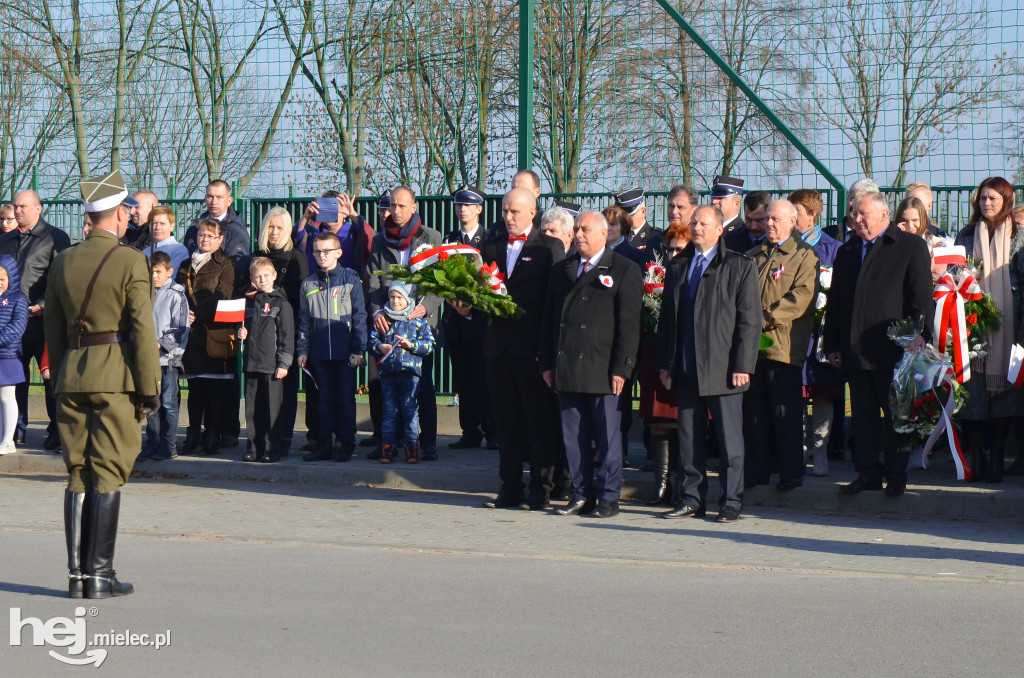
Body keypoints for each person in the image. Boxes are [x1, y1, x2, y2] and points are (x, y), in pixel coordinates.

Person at [44, 168, 161, 599]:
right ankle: (100, 574)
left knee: (78, 473)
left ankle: (78, 578)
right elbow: (142, 330)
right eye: (127, 212)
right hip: (115, 376)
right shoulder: (131, 260)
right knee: (108, 472)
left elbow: (54, 332)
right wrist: (150, 387)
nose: (130, 219)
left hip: (72, 374)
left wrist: (60, 377)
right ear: (116, 216)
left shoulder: (62, 260)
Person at [823, 192, 933, 496]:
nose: (856, 219)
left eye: (863, 214)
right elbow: (836, 303)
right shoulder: (847, 251)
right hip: (855, 349)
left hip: (894, 350)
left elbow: (921, 296)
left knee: (896, 414)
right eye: (854, 214)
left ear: (883, 215)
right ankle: (868, 472)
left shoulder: (909, 246)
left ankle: (896, 474)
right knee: (863, 416)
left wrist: (920, 333)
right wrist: (832, 343)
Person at [657, 205, 760, 523]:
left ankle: (730, 501)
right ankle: (691, 499)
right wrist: (666, 363)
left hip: (724, 368)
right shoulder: (679, 266)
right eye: (694, 222)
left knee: (730, 441)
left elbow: (749, 321)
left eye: (704, 223)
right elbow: (667, 320)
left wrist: (742, 364)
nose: (697, 227)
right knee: (689, 438)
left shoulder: (738, 266)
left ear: (719, 229)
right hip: (687, 366)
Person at [540, 211, 642, 518]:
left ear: (602, 234)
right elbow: (549, 321)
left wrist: (623, 368)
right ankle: (580, 493)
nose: (579, 234)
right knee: (574, 437)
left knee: (608, 439)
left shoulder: (624, 269)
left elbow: (629, 326)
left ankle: (609, 496)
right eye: (577, 229)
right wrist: (546, 363)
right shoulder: (562, 269)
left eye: (585, 229)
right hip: (568, 367)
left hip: (603, 369)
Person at [480, 187, 565, 510]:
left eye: (515, 212)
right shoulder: (491, 244)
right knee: (506, 421)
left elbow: (553, 302)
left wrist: (547, 353)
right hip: (498, 349)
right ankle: (509, 487)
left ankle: (540, 488)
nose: (508, 217)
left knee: (538, 421)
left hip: (532, 351)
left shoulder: (549, 247)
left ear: (533, 212)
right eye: (504, 211)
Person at [742, 200, 819, 491]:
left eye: (775, 219)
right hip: (753, 348)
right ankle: (758, 470)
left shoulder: (804, 256)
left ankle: (790, 473)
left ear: (792, 221)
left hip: (783, 347)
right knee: (756, 413)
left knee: (784, 414)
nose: (769, 224)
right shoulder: (754, 255)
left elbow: (800, 298)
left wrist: (761, 319)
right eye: (767, 219)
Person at [953, 177, 1024, 483]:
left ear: (1006, 201)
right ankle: (978, 454)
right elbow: (955, 272)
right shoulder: (967, 234)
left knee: (1006, 396)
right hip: (974, 324)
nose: (987, 204)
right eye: (982, 198)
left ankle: (996, 456)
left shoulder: (1020, 236)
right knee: (976, 393)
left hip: (1010, 325)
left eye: (993, 198)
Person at [366, 186, 442, 460]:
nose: (395, 211)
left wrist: (426, 307)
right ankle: (389, 442)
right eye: (392, 206)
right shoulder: (379, 239)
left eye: (401, 206)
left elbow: (439, 281)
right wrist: (377, 312)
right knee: (386, 387)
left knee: (423, 386)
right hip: (388, 323)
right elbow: (373, 280)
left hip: (418, 325)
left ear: (413, 207)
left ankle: (429, 442)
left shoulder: (431, 237)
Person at [0, 189, 71, 449]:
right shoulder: (5, 240)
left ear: (38, 209)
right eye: (16, 206)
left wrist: (43, 304)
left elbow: (62, 278)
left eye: (23, 207)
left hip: (43, 322)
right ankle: (15, 429)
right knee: (13, 379)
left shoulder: (55, 238)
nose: (18, 211)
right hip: (9, 322)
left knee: (50, 380)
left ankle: (55, 430)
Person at [297, 232, 368, 462]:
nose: (321, 255)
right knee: (323, 399)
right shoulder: (308, 283)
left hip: (345, 352)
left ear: (338, 252)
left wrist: (358, 349)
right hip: (319, 354)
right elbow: (304, 321)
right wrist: (303, 350)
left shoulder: (350, 279)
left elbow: (359, 316)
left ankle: (345, 443)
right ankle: (324, 444)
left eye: (327, 251)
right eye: (317, 251)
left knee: (345, 399)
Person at [789, 188, 842, 477]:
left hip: (821, 336)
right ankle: (796, 450)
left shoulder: (832, 248)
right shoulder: (785, 246)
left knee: (821, 393)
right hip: (793, 335)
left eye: (796, 212)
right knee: (794, 394)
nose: (791, 218)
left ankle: (819, 452)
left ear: (812, 214)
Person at [176, 218, 238, 457]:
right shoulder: (185, 265)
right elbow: (177, 294)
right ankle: (193, 435)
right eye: (202, 234)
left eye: (211, 236)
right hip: (190, 335)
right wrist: (184, 314)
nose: (205, 239)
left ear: (220, 239)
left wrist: (196, 313)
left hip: (214, 333)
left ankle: (212, 435)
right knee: (195, 388)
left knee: (214, 389)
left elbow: (224, 294)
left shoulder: (227, 264)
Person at [639, 221, 690, 505]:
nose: (672, 255)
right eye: (669, 249)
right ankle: (661, 482)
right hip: (656, 352)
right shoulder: (655, 275)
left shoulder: (694, 274)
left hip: (684, 355)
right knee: (658, 419)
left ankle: (682, 480)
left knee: (683, 421)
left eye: (679, 249)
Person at [443, 185, 497, 450]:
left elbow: (491, 280)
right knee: (463, 378)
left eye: (468, 205)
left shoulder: (488, 241)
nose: (462, 209)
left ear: (479, 209)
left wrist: (471, 307)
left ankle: (493, 431)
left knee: (485, 378)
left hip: (480, 321)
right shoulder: (449, 239)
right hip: (455, 319)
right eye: (459, 205)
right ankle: (470, 431)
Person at [252, 207, 309, 458]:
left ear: (288, 230)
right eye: (271, 227)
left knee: (285, 390)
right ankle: (259, 442)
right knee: (260, 393)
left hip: (286, 332)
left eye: (280, 228)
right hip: (258, 338)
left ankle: (282, 439)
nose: (274, 232)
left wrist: (272, 296)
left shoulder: (296, 257)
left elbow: (300, 295)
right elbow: (246, 288)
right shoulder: (256, 257)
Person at [370, 281, 435, 463]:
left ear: (408, 300)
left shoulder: (418, 322)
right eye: (392, 297)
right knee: (389, 411)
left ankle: (411, 447)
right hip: (388, 374)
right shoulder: (384, 320)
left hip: (411, 374)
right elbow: (371, 341)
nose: (395, 301)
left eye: (400, 298)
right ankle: (387, 448)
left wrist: (411, 346)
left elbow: (429, 345)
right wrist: (379, 347)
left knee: (410, 410)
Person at [237, 257, 295, 464]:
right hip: (252, 363)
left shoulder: (281, 304)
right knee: (252, 410)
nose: (262, 280)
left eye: (266, 276)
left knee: (272, 410)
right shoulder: (248, 305)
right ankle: (253, 448)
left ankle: (272, 449)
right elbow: (245, 329)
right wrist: (242, 333)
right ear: (252, 280)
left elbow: (287, 337)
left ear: (274, 277)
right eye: (258, 277)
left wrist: (284, 363)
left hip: (272, 366)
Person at [138, 251, 189, 462]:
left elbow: (181, 327)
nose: (154, 275)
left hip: (167, 359)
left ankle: (168, 445)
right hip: (148, 360)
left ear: (169, 271)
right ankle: (152, 442)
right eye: (151, 271)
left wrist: (161, 343)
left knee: (168, 404)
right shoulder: (144, 293)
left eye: (159, 271)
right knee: (151, 403)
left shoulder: (176, 295)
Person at [295, 191, 374, 283]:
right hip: (315, 288)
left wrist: (353, 215)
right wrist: (306, 216)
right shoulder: (313, 231)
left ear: (345, 213)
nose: (330, 212)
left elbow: (369, 236)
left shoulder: (353, 234)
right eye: (325, 208)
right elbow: (298, 236)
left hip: (346, 288)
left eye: (334, 208)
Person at [182, 180, 251, 265]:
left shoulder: (237, 232)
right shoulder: (194, 229)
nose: (214, 202)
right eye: (210, 196)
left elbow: (237, 268)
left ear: (229, 201)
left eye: (219, 197)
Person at [0, 254, 27, 456]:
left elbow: (16, 329)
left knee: (8, 397)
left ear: (11, 278)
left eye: (2, 279)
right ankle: (3, 437)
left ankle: (9, 440)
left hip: (9, 356)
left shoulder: (18, 299)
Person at [142, 206, 189, 274]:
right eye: (154, 223)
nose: (157, 227)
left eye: (162, 223)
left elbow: (171, 277)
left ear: (172, 226)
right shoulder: (146, 251)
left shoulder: (179, 250)